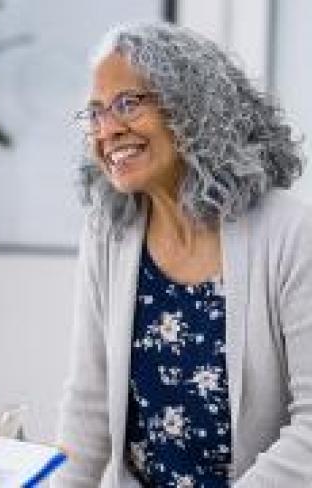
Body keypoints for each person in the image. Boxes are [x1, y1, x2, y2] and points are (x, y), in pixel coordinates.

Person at [53, 22, 312, 487]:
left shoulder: (292, 235)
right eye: (95, 113)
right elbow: (87, 412)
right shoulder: (108, 233)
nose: (107, 130)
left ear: (191, 109)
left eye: (127, 104)